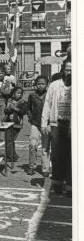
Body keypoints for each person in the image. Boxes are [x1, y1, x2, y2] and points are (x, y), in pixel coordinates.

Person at [42, 59, 71, 196]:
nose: (69, 72)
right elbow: (47, 104)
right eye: (67, 70)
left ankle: (71, 184)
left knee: (72, 156)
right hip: (56, 124)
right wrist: (44, 123)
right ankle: (57, 183)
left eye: (72, 70)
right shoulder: (54, 85)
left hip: (73, 125)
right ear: (63, 70)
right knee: (57, 155)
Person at [27, 75, 50, 176]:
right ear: (36, 85)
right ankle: (32, 166)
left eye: (43, 84)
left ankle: (45, 168)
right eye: (39, 84)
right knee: (32, 145)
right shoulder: (32, 95)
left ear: (46, 85)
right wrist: (30, 117)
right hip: (35, 123)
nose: (41, 85)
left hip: (46, 124)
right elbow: (28, 108)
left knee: (45, 147)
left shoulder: (49, 95)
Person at [3, 86, 27, 169]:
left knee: (11, 139)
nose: (19, 95)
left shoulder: (23, 102)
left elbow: (23, 112)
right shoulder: (9, 100)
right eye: (17, 93)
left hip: (17, 123)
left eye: (20, 93)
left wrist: (15, 108)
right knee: (8, 139)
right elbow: (5, 110)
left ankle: (11, 156)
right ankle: (12, 155)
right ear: (13, 93)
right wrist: (9, 108)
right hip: (8, 122)